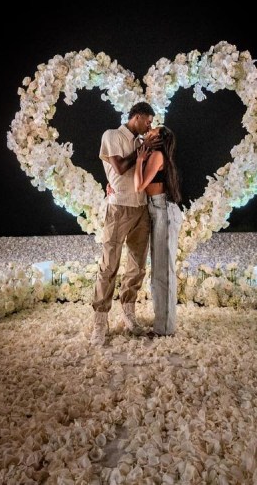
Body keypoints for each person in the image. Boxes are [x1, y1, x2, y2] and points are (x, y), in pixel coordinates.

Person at [91, 102, 159, 346]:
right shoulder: (111, 135)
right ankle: (100, 321)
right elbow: (118, 168)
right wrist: (141, 151)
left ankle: (129, 314)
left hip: (142, 208)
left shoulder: (142, 143)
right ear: (137, 117)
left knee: (137, 265)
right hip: (118, 207)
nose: (150, 125)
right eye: (148, 121)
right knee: (109, 264)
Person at [134, 125, 182, 336]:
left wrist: (138, 161)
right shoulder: (153, 154)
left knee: (164, 271)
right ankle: (161, 324)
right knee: (159, 271)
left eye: (154, 130)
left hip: (163, 210)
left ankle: (165, 328)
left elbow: (139, 186)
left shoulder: (157, 155)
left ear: (159, 139)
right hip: (157, 209)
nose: (150, 129)